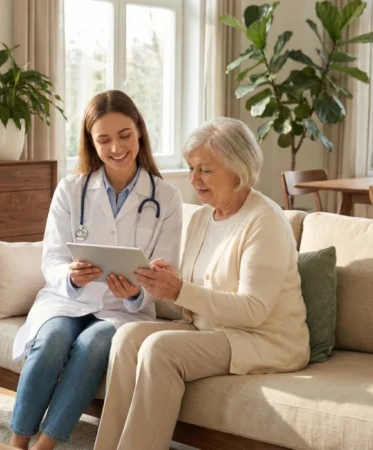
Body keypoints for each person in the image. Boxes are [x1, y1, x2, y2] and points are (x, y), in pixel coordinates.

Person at [94, 117, 311, 450]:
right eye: (191, 168)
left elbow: (253, 312)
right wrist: (156, 284)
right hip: (210, 330)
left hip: (264, 339)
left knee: (160, 348)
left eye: (205, 170)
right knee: (127, 336)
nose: (194, 180)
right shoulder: (201, 217)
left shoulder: (265, 221)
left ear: (239, 171)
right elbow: (191, 300)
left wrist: (180, 289)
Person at [8, 90, 183, 450]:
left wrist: (136, 292)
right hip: (67, 300)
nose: (116, 148)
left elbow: (165, 270)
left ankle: (44, 446)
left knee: (93, 345)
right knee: (52, 341)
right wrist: (70, 276)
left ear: (139, 132)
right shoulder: (71, 189)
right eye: (104, 139)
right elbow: (51, 258)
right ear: (90, 142)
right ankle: (16, 443)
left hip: (122, 311)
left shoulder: (165, 198)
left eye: (125, 136)